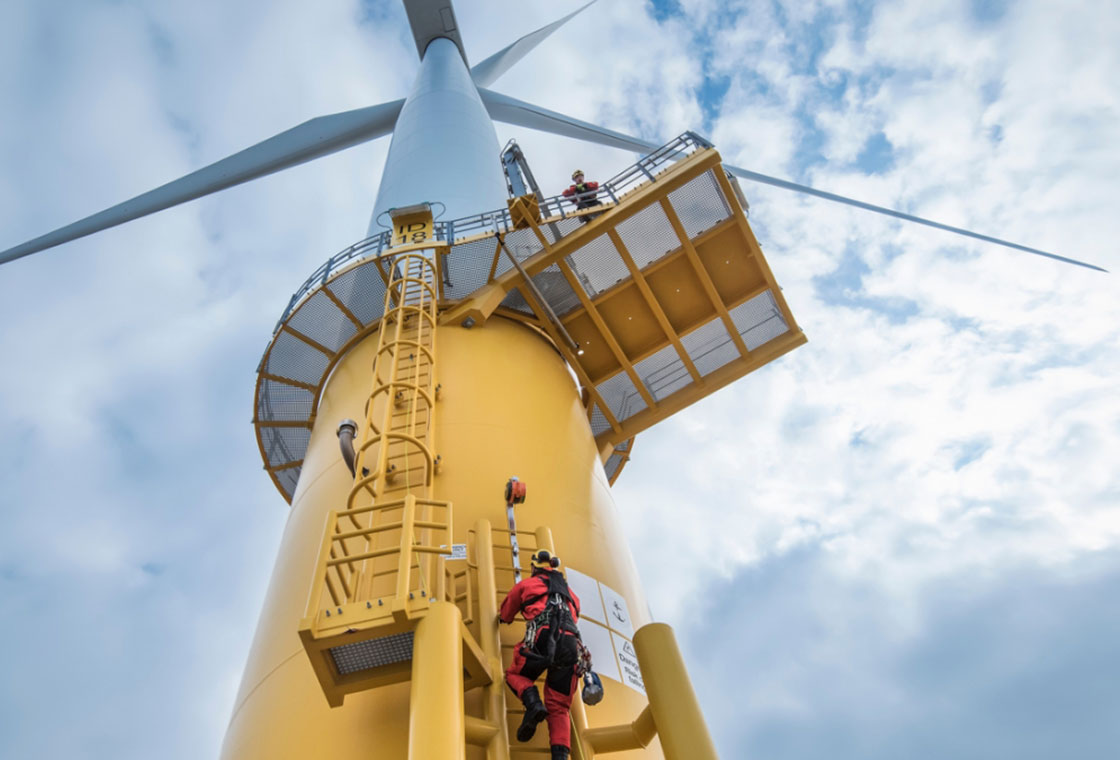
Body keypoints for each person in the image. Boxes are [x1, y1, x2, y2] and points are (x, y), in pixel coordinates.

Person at [500, 550, 582, 760]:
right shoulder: (573, 596)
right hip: (571, 645)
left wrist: (503, 619)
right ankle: (560, 756)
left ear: (535, 567)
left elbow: (506, 614)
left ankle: (533, 704)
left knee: (515, 675)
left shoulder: (527, 585)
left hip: (542, 636)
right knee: (559, 707)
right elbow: (574, 617)